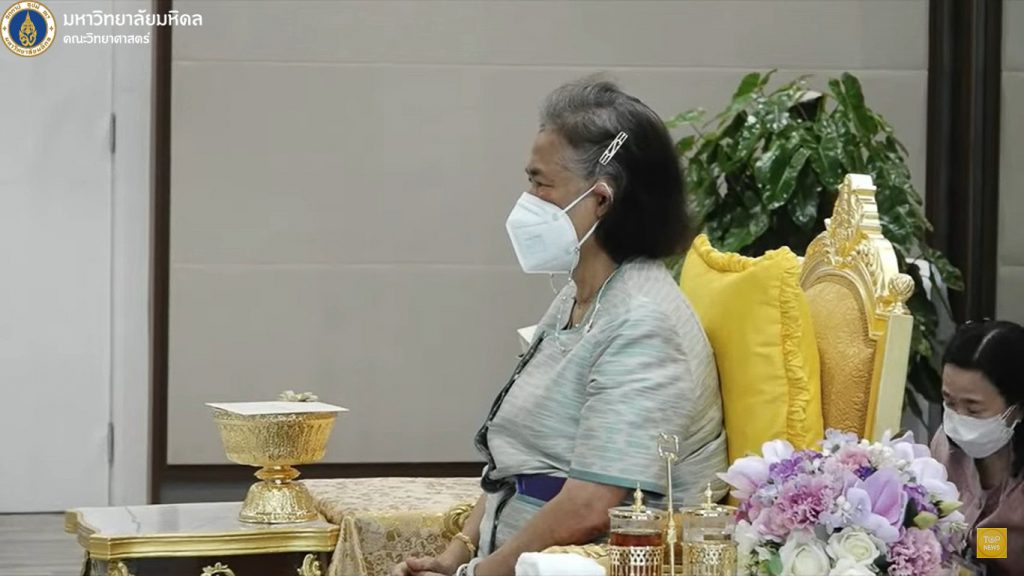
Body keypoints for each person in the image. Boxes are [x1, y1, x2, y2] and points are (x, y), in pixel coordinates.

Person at [393, 77, 727, 576]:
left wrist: (478, 574)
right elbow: (521, 461)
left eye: (541, 184)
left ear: (602, 200)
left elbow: (589, 507)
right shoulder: (578, 296)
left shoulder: (643, 324)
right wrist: (455, 556)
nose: (527, 200)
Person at [932, 320, 1024, 575]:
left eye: (973, 409)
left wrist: (979, 545)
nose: (958, 419)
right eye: (949, 403)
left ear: (1016, 409)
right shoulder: (945, 445)